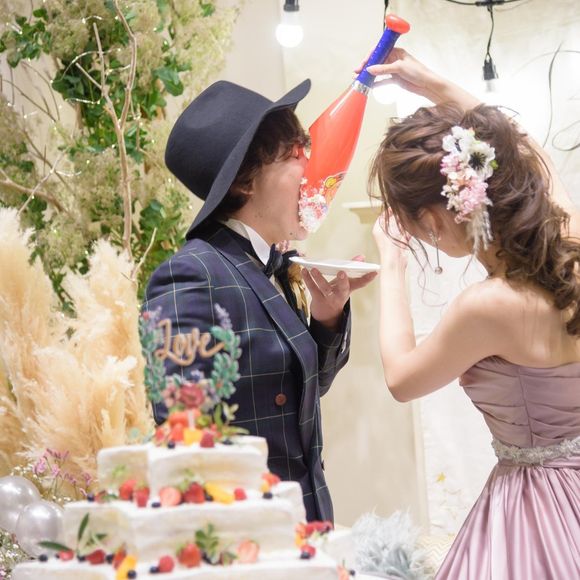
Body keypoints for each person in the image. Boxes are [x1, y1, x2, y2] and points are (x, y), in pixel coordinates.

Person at [365, 49, 580, 578]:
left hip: (538, 509)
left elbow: (402, 379)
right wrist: (435, 84)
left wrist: (391, 263)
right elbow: (527, 151)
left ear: (433, 220)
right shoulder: (571, 243)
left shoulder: (488, 307)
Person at [144, 79, 376, 522]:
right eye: (293, 155)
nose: (310, 168)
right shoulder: (191, 275)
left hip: (306, 518)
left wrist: (327, 318)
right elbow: (184, 436)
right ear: (246, 181)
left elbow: (298, 394)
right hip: (251, 531)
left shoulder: (275, 263)